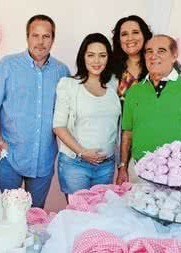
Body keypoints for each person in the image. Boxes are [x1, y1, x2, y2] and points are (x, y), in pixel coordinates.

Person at [0, 14, 70, 208]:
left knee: (35, 215)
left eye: (46, 36)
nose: (40, 42)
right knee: (5, 214)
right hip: (9, 157)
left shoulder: (62, 71)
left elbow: (68, 113)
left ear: (53, 39)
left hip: (44, 159)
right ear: (27, 37)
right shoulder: (8, 65)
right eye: (35, 35)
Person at [116, 34, 181, 185]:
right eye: (149, 51)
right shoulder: (134, 91)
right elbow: (127, 133)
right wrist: (123, 167)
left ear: (174, 56)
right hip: (139, 173)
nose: (153, 56)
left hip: (176, 175)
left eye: (161, 51)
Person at [53, 33, 121, 197]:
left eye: (102, 55)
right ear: (83, 57)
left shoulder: (115, 84)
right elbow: (58, 126)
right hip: (75, 165)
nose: (96, 61)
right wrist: (82, 152)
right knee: (78, 217)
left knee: (101, 217)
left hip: (106, 165)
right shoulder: (68, 85)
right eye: (91, 55)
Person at [111, 15, 181, 104]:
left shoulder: (162, 61)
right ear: (119, 40)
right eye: (124, 34)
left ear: (144, 36)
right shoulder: (111, 67)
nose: (130, 38)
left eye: (135, 32)